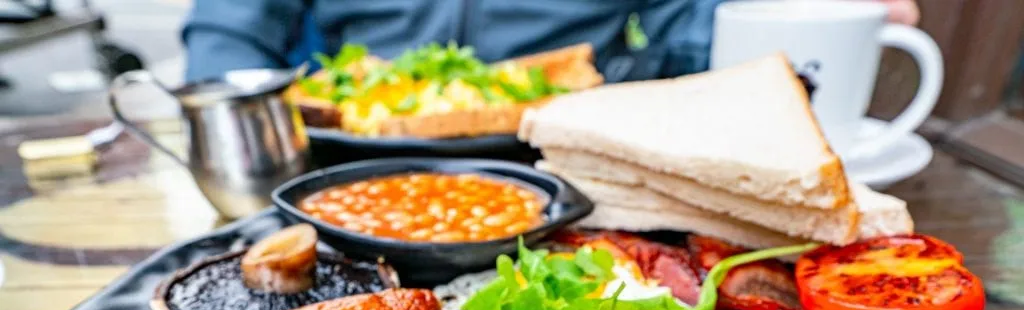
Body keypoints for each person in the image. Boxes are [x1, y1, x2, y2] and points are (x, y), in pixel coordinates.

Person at [183, 0, 920, 84]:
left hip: (559, 147)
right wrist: (228, 105)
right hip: (345, 143)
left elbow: (680, 26)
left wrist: (811, 28)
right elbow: (235, 19)